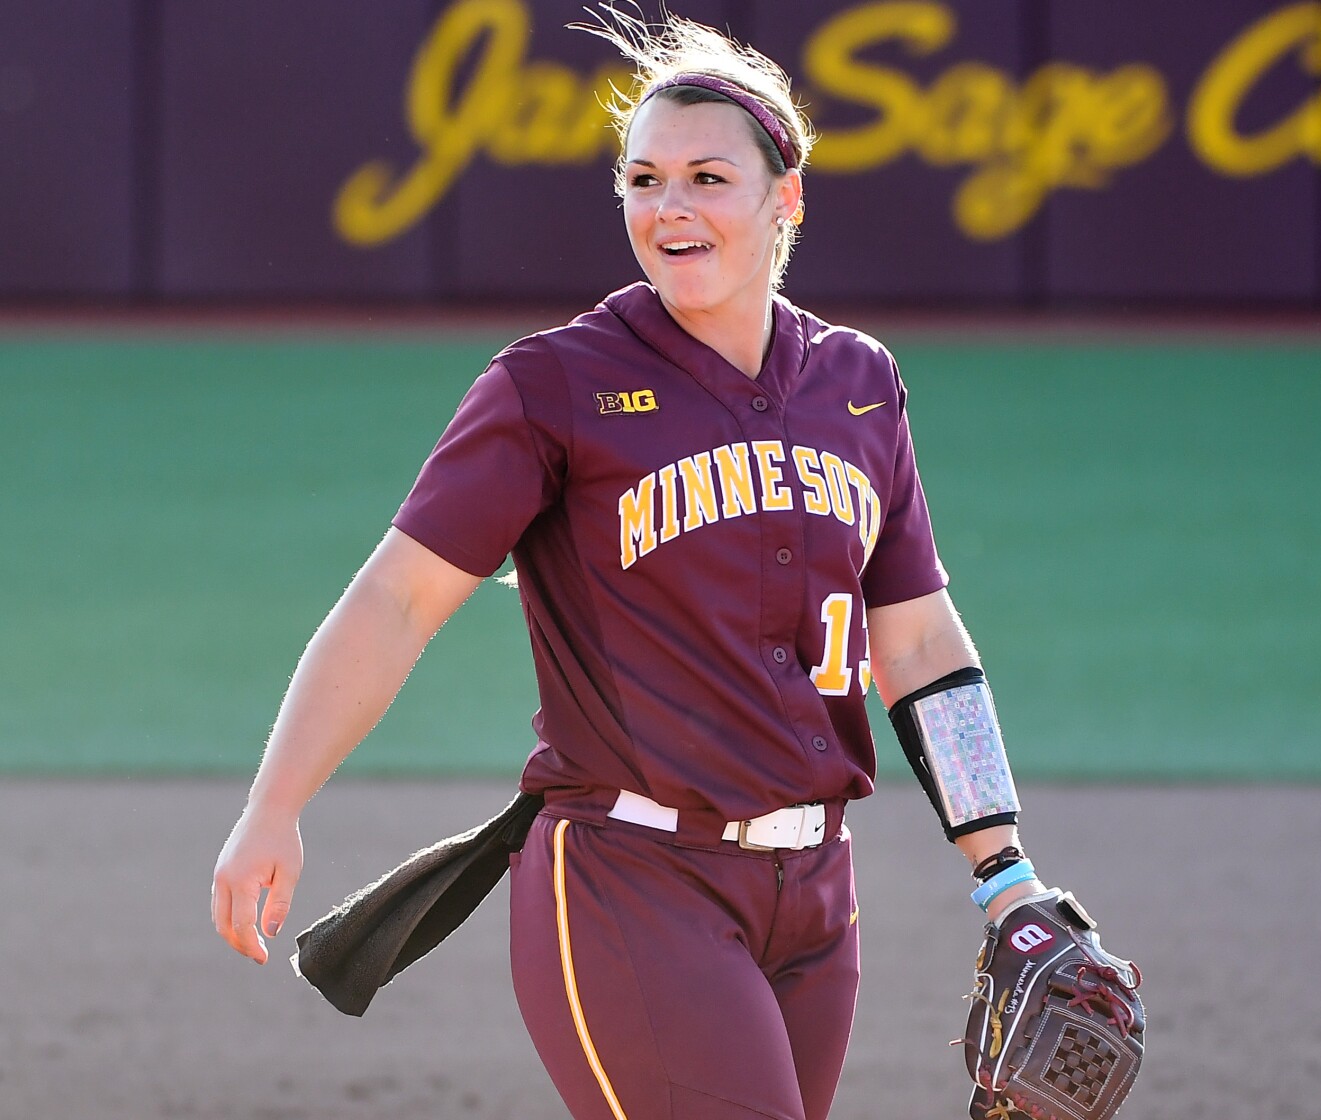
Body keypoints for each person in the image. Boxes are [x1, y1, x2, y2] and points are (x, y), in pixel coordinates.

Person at [211, 11, 1065, 1120]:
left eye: (709, 177)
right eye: (644, 178)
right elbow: (398, 598)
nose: (670, 208)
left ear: (785, 198)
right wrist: (275, 804)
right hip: (627, 879)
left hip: (816, 898)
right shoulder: (554, 386)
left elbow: (918, 640)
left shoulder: (858, 385)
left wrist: (1003, 867)